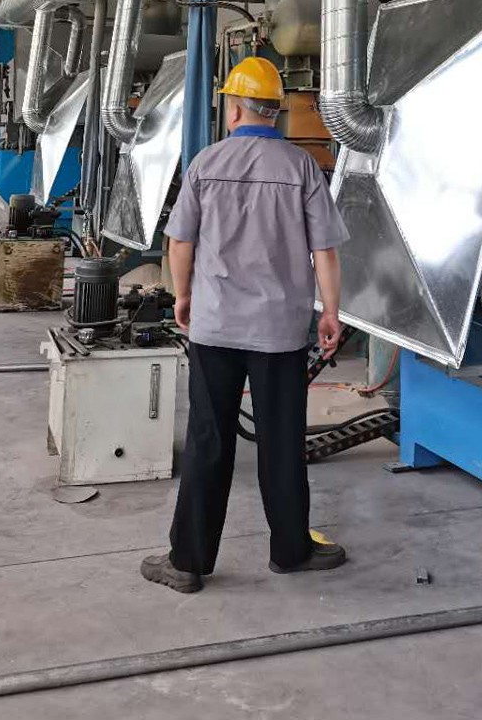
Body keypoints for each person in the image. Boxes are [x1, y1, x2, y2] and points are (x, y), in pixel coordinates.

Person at [141, 56, 348, 594]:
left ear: (234, 109)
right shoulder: (302, 168)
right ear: (276, 111)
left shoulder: (205, 164)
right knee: (282, 440)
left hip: (215, 327)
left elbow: (179, 242)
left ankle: (187, 561)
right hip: (279, 331)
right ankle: (291, 550)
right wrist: (330, 311)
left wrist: (183, 295)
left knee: (208, 439)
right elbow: (325, 250)